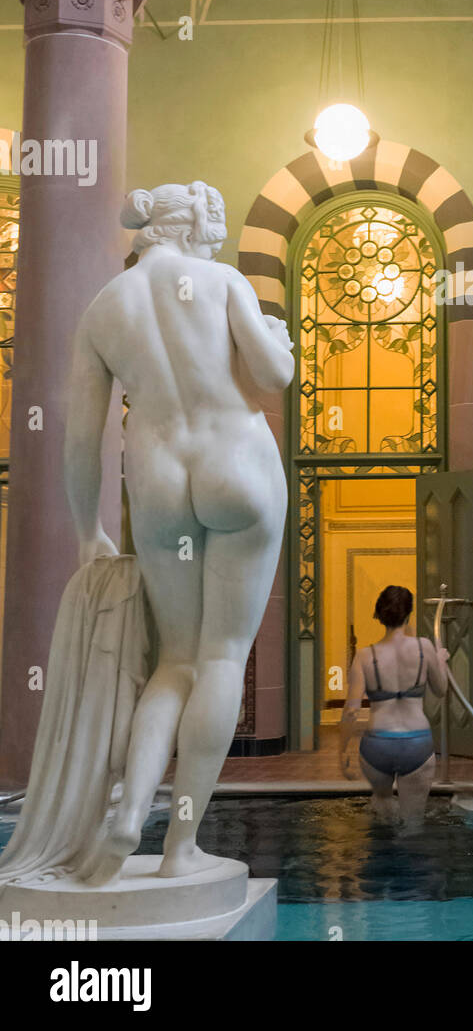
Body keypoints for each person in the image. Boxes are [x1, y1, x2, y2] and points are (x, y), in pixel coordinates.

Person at [64, 181, 294, 883]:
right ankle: (180, 845)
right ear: (192, 228)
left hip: (159, 479)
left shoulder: (105, 307)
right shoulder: (223, 281)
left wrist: (87, 531)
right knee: (222, 659)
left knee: (176, 661)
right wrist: (279, 340)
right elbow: (275, 375)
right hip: (238, 466)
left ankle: (130, 812)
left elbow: (80, 439)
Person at [340, 585, 448, 826]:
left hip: (377, 745)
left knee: (382, 812)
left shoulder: (364, 656)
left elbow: (351, 711)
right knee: (413, 824)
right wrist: (441, 661)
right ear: (409, 614)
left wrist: (342, 754)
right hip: (416, 744)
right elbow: (441, 690)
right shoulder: (424, 647)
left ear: (379, 615)